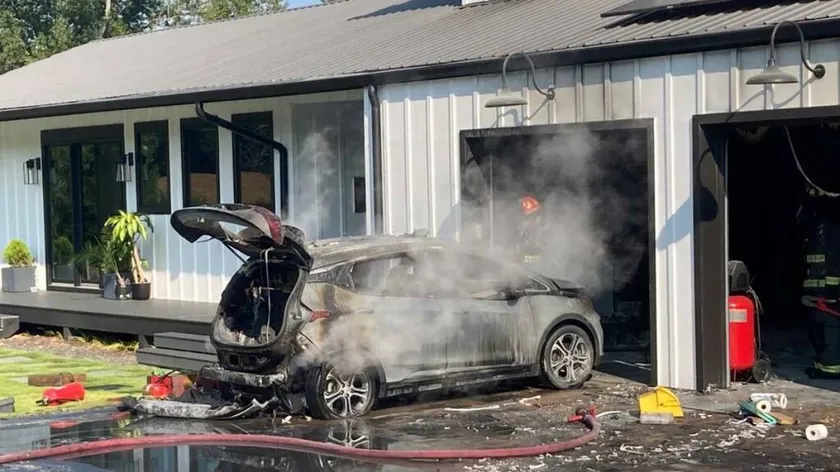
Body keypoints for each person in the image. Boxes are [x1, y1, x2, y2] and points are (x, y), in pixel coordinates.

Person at [800, 183, 840, 379]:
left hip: (831, 297)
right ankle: (821, 368)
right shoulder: (816, 229)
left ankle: (831, 372)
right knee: (817, 333)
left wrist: (834, 293)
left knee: (830, 335)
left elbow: (834, 262)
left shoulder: (832, 228)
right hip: (815, 295)